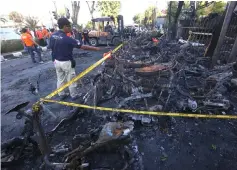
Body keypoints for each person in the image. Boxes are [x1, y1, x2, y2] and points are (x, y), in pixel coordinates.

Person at [48, 18, 100, 100]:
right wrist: (96, 49)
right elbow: (83, 47)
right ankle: (74, 95)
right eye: (69, 26)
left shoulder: (53, 36)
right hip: (66, 62)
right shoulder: (67, 39)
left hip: (56, 61)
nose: (70, 28)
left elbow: (50, 47)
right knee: (71, 79)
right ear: (65, 26)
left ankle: (61, 94)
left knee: (60, 78)